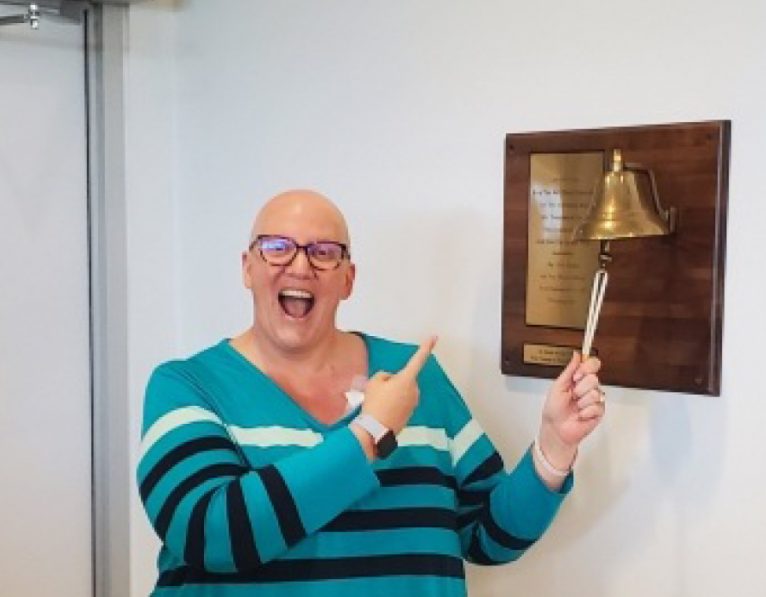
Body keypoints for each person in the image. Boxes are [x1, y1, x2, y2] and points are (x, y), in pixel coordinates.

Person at [137, 189, 607, 596]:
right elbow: (211, 535)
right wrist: (370, 432)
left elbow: (489, 535)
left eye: (323, 252)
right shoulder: (185, 386)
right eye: (277, 248)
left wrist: (553, 446)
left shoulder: (415, 376)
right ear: (247, 268)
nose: (299, 265)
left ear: (348, 278)